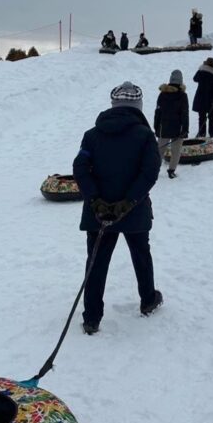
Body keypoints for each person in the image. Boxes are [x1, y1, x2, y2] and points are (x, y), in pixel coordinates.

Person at [73, 82, 163, 334]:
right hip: (134, 212)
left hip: (98, 214)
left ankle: (91, 317)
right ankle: (148, 300)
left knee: (96, 262)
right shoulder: (145, 135)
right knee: (141, 256)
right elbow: (150, 172)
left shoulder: (92, 135)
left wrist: (95, 200)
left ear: (113, 106)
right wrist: (129, 201)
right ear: (138, 106)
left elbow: (80, 168)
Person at [153, 69, 189, 178]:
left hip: (163, 127)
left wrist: (156, 127)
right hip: (178, 129)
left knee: (160, 150)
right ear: (181, 81)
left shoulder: (162, 94)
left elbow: (157, 112)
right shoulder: (182, 96)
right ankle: (171, 170)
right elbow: (185, 114)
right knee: (176, 151)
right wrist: (185, 129)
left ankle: (154, 170)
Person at [192, 56, 213, 139]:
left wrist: (201, 68)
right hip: (212, 97)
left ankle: (202, 133)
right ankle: (212, 133)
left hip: (201, 97)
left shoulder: (202, 72)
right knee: (212, 117)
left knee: (202, 117)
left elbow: (195, 79)